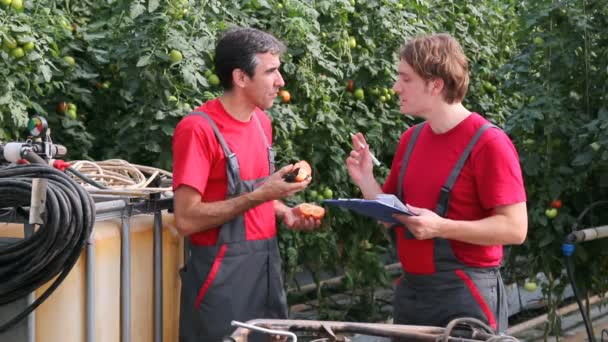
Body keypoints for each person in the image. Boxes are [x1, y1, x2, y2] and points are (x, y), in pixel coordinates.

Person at [346, 33, 527, 333]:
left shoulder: (488, 143)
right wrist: (366, 180)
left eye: (405, 78)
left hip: (465, 294)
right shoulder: (411, 139)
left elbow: (515, 229)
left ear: (435, 84)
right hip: (413, 293)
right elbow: (391, 220)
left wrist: (441, 226)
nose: (395, 87)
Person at [172, 27, 321, 342]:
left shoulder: (261, 123)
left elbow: (257, 194)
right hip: (221, 281)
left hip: (266, 272)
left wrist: (283, 211)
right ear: (241, 78)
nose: (280, 82)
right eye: (271, 72)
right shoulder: (198, 130)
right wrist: (262, 195)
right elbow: (185, 219)